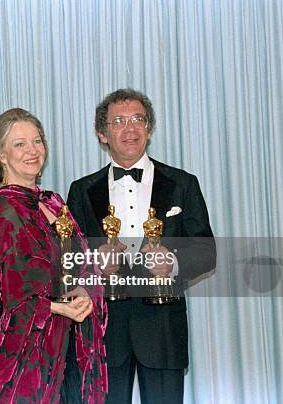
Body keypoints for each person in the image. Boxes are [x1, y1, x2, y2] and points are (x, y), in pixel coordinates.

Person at [67, 88, 216, 404]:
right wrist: (94, 264)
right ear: (102, 134)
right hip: (105, 329)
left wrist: (172, 265)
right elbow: (68, 260)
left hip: (163, 328)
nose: (129, 128)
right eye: (118, 121)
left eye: (137, 119)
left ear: (149, 128)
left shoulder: (182, 183)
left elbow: (206, 251)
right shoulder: (81, 191)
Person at [0, 108, 107, 403]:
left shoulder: (54, 202)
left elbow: (84, 263)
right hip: (27, 361)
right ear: (1, 155)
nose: (32, 151)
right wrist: (56, 307)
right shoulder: (4, 213)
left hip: (68, 344)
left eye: (37, 141)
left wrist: (84, 290)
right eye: (20, 144)